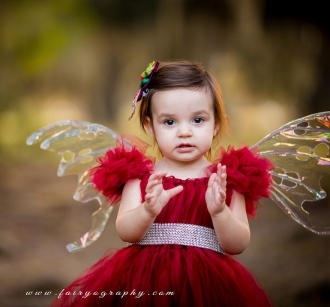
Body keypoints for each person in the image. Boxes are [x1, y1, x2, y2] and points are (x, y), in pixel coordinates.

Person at [49, 60, 274, 306]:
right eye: (169, 122)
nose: (185, 132)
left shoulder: (227, 180)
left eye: (198, 120)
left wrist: (219, 212)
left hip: (207, 282)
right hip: (145, 281)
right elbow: (126, 232)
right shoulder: (140, 177)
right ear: (151, 127)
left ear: (216, 124)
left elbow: (237, 244)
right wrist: (147, 210)